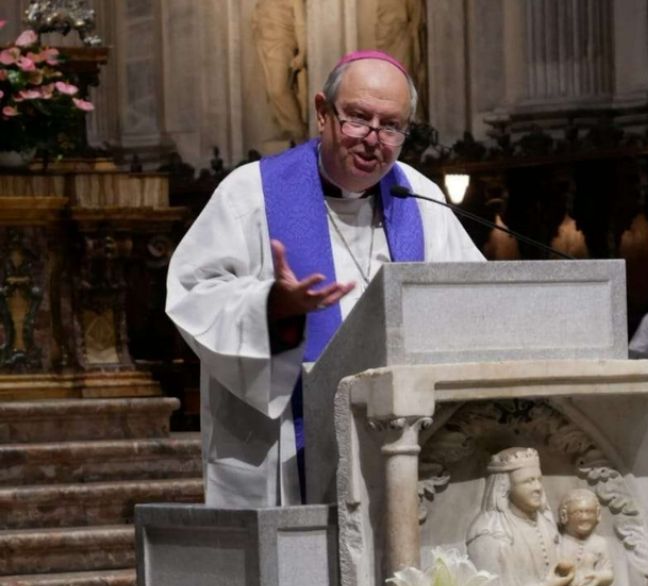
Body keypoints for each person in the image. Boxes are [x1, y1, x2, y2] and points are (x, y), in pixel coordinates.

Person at [165, 50, 484, 508]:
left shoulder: (417, 196)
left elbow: (470, 299)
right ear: (322, 112)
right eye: (357, 118)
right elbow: (193, 293)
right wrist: (274, 309)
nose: (373, 139)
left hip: (404, 441)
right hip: (283, 450)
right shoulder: (251, 191)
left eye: (391, 126)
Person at [466, 448, 610, 586]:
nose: (538, 488)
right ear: (505, 487)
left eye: (538, 480)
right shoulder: (491, 532)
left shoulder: (544, 522)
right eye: (528, 481)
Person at [252, 0, 309, 141]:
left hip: (283, 45)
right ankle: (286, 127)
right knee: (271, 91)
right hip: (265, 46)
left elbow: (301, 25)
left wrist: (303, 52)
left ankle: (296, 129)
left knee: (278, 89)